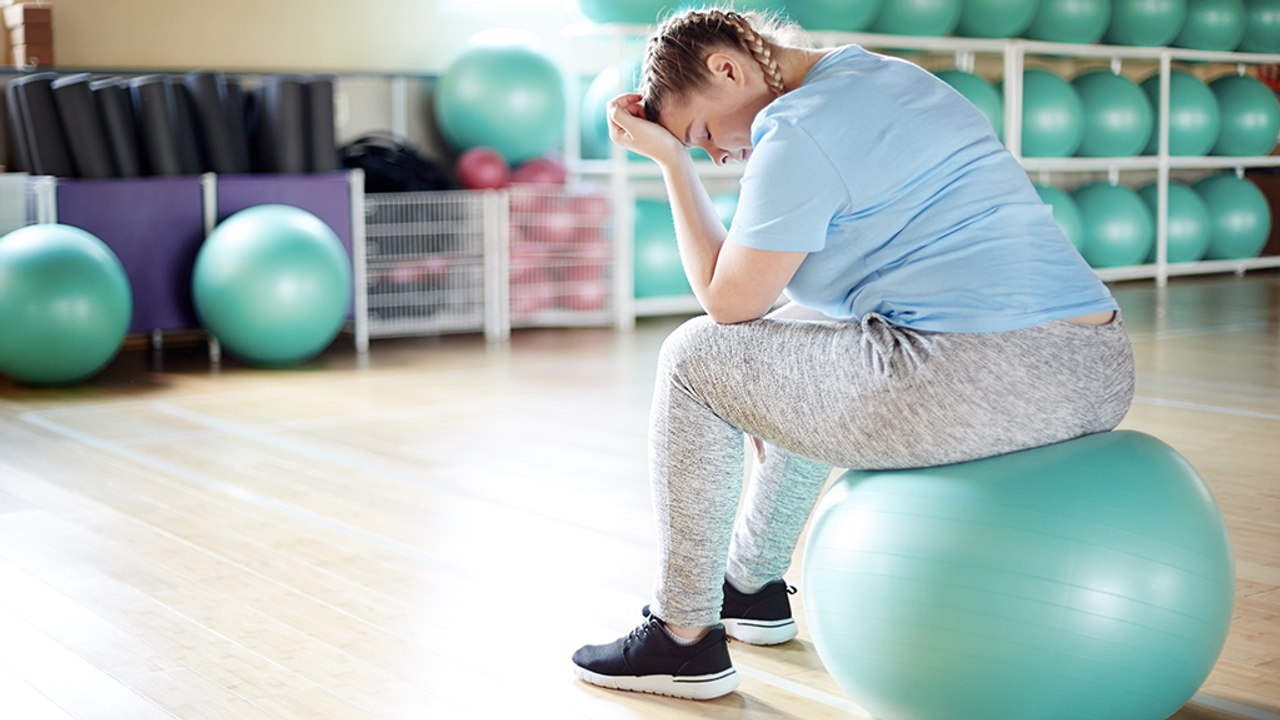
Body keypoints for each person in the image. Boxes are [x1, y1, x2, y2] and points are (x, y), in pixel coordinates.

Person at [571, 7, 1135, 701]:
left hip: (989, 374)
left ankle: (680, 637)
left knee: (694, 358)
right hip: (1098, 363)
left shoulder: (799, 128)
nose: (716, 152)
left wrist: (668, 163)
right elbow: (789, 312)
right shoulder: (884, 77)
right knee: (802, 330)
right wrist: (767, 394)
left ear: (727, 67)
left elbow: (726, 303)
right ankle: (751, 586)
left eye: (703, 131)